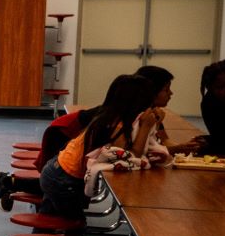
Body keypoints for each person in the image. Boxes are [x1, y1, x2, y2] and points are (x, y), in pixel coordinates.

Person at [37, 75, 157, 223]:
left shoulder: (109, 116)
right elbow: (131, 155)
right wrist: (146, 126)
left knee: (46, 220)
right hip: (63, 179)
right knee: (75, 224)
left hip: (57, 170)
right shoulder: (116, 126)